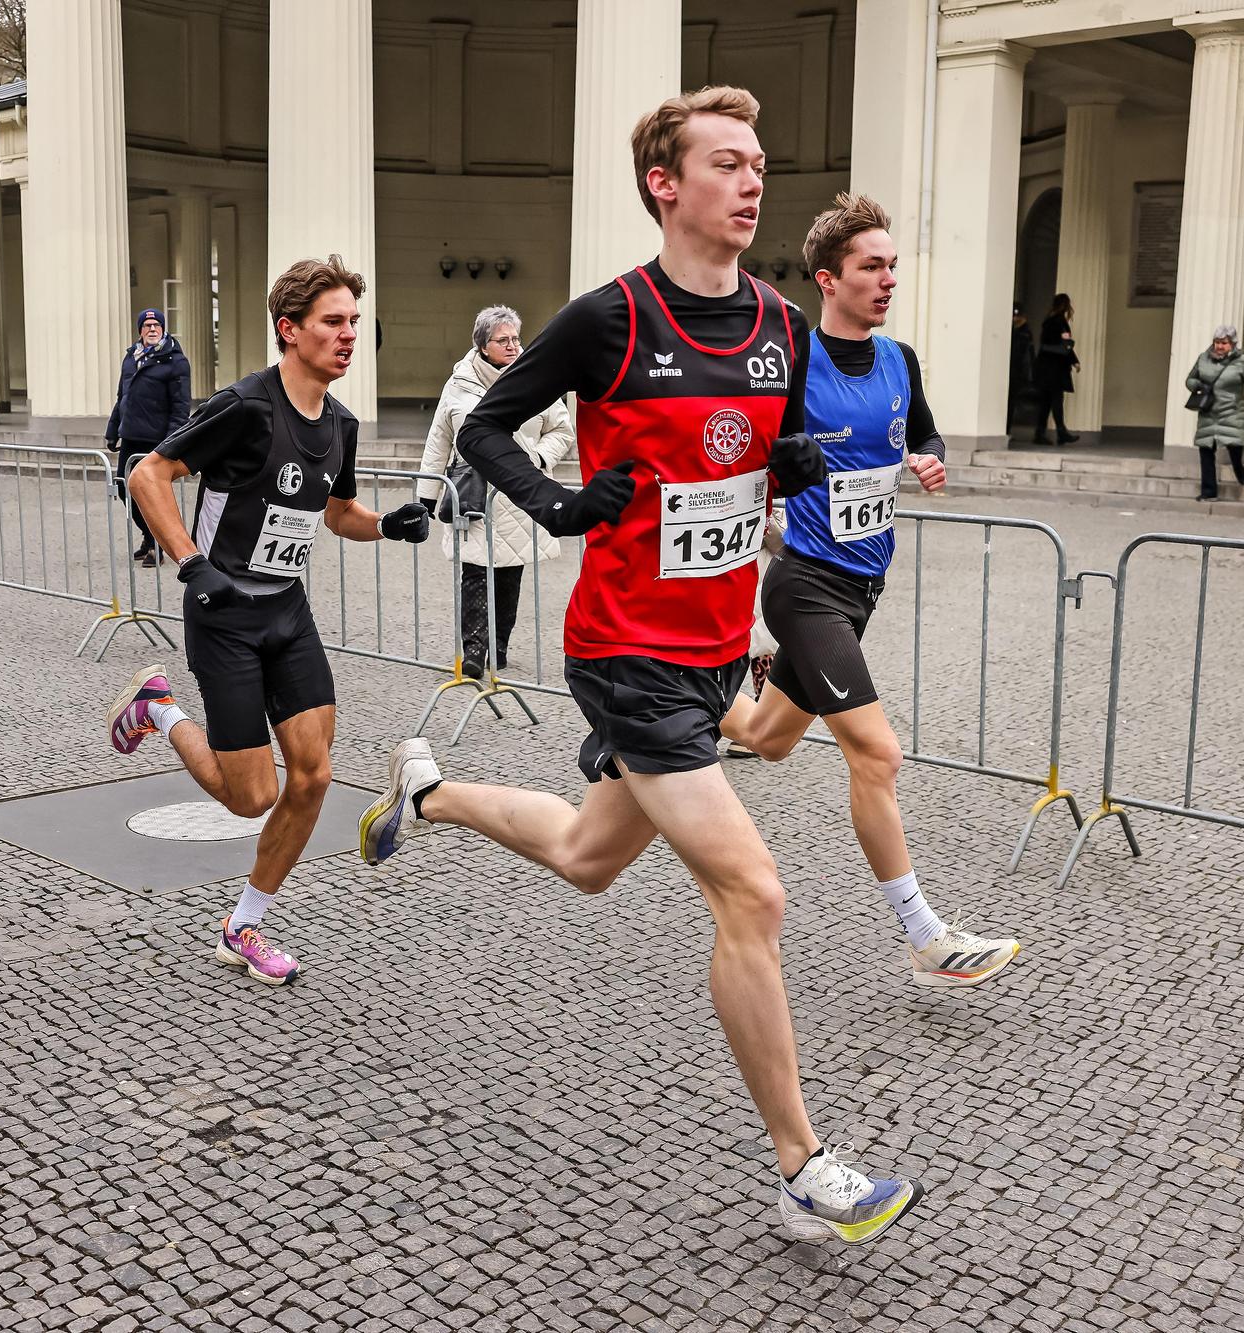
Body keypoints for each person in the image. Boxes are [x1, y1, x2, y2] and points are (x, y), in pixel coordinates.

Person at [357, 87, 923, 1247]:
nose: (752, 178)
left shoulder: (779, 321)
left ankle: (430, 790)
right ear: (665, 185)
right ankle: (798, 1166)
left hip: (714, 650)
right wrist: (558, 503)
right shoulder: (609, 319)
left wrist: (794, 461)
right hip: (623, 653)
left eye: (758, 160)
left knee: (583, 855)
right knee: (752, 890)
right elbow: (483, 426)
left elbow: (757, 450)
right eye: (727, 161)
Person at [717, 192, 1020, 987]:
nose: (888, 280)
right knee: (877, 754)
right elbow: (752, 465)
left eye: (893, 265)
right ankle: (925, 936)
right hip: (805, 584)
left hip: (864, 586)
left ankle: (677, 686)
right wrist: (783, 481)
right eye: (872, 267)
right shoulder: (792, 364)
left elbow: (924, 427)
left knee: (768, 739)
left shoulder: (900, 359)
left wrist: (929, 457)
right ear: (829, 279)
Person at [107, 255, 432, 985]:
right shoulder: (245, 407)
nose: (349, 336)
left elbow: (338, 512)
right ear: (290, 330)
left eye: (355, 322)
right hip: (223, 614)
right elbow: (147, 474)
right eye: (332, 322)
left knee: (313, 776)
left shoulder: (341, 424)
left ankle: (242, 926)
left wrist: (389, 526)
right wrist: (192, 564)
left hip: (285, 609)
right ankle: (156, 708)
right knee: (250, 794)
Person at [415, 304, 573, 680]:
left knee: (508, 575)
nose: (513, 346)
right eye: (503, 340)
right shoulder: (458, 386)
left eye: (516, 339)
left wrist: (535, 458)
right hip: (473, 492)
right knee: (474, 572)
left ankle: (498, 647)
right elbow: (439, 440)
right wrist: (425, 497)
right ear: (483, 345)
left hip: (517, 494)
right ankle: (473, 648)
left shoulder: (534, 378)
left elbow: (563, 431)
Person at [105, 308, 193, 567]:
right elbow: (123, 397)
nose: (152, 329)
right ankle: (150, 536)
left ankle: (158, 544)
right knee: (124, 488)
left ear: (163, 329)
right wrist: (113, 430)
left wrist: (171, 442)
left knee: (153, 494)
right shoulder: (131, 357)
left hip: (156, 441)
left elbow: (180, 406)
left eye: (157, 325)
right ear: (140, 330)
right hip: (130, 436)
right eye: (147, 325)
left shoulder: (175, 361)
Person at [1184, 325, 1244, 501]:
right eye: (1217, 342)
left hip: (1232, 412)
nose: (1219, 346)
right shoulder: (1203, 358)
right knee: (1206, 450)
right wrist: (1197, 385)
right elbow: (1190, 379)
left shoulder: (1242, 361)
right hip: (1208, 411)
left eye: (1224, 343)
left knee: (1234, 447)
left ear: (1233, 344)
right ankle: (1209, 491)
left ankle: (1238, 468)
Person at [1032, 293, 1079, 445]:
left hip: (1044, 366)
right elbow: (1065, 345)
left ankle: (1040, 434)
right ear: (1065, 305)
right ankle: (1061, 432)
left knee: (1045, 401)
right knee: (1057, 399)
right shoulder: (1060, 322)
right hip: (1056, 367)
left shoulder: (1048, 321)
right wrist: (1074, 361)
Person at [1007, 302, 1034, 431]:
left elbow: (1025, 355)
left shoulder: (1024, 332)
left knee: (1012, 400)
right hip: (1012, 370)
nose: (1015, 319)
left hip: (1017, 371)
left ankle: (1008, 428)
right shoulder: (1012, 330)